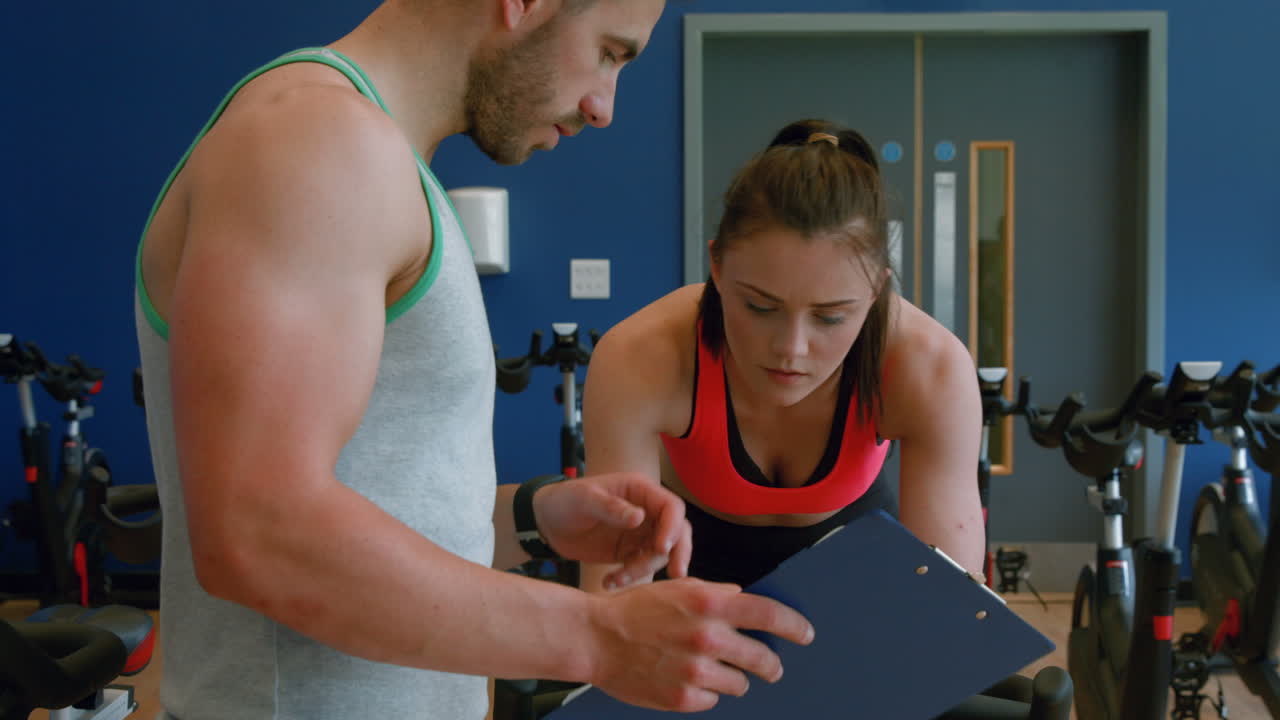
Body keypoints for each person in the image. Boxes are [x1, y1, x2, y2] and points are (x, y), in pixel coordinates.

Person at [132, 2, 814, 719]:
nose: (603, 105)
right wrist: (601, 636)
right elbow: (258, 533)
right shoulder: (320, 139)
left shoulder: (376, 156)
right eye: (610, 52)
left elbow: (366, 508)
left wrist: (531, 519)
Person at [580, 119, 986, 593]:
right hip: (689, 561)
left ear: (876, 290)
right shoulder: (642, 356)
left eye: (830, 317)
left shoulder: (929, 366)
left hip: (851, 558)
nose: (791, 348)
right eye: (760, 306)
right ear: (716, 266)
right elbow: (611, 613)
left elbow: (948, 607)